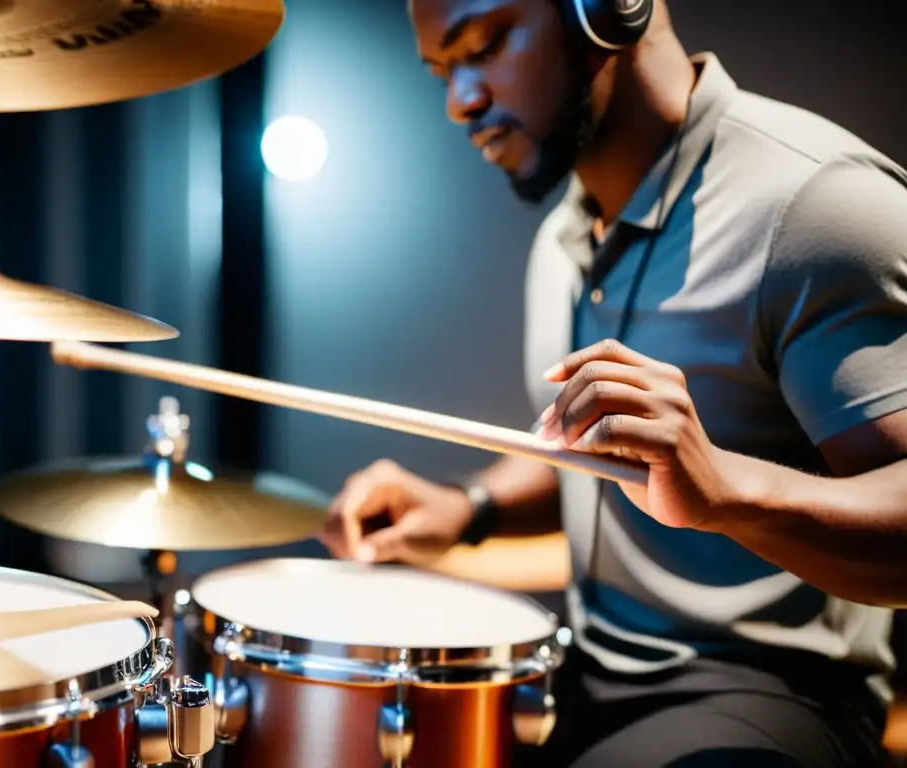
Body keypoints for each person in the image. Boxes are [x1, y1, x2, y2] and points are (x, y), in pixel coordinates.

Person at [321, 0, 907, 764]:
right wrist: (470, 507)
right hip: (589, 672)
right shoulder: (566, 235)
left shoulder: (816, 205)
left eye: (485, 45)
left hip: (768, 689)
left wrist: (722, 489)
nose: (460, 101)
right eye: (443, 70)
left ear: (609, 10)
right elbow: (603, 452)